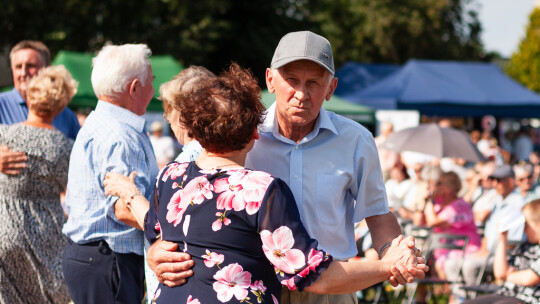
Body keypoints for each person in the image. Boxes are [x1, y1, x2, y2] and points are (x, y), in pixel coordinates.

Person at [109, 63, 428, 303]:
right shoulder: (260, 191)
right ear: (254, 135)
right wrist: (388, 267)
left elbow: (154, 222)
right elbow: (313, 275)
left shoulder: (172, 176)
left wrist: (130, 192)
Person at [61, 44, 159, 304]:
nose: (155, 89)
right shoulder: (119, 135)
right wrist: (179, 227)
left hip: (99, 259)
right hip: (108, 261)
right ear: (134, 88)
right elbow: (124, 209)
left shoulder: (105, 123)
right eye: (152, 80)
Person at [0, 65, 77, 303]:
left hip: (5, 230)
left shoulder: (4, 136)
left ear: (30, 98)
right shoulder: (66, 148)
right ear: (61, 106)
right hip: (48, 234)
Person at [445, 165, 525, 301]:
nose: (494, 184)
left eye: (498, 180)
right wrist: (483, 250)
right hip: (489, 253)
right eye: (492, 180)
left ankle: (472, 300)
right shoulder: (497, 200)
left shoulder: (518, 204)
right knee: (451, 263)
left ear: (510, 182)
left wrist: (492, 252)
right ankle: (460, 299)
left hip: (505, 256)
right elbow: (489, 232)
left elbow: (515, 241)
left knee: (469, 265)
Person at [0, 40, 80, 176]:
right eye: (18, 67)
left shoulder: (66, 115)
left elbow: (79, 159)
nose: (24, 73)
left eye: (30, 66)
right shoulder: (1, 104)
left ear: (47, 69)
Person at [463, 199, 540, 304]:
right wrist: (502, 240)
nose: (524, 229)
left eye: (527, 224)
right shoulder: (526, 246)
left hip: (529, 299)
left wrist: (508, 275)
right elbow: (499, 273)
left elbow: (528, 279)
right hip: (506, 293)